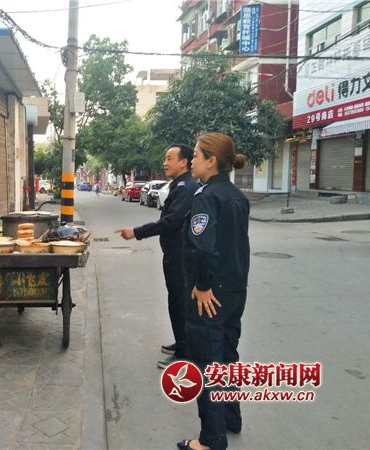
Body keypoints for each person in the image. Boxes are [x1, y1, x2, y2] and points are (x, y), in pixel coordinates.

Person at [178, 133, 250, 450]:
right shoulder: (237, 196)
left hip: (211, 295)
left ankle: (211, 439)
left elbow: (203, 248)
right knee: (228, 358)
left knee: (208, 363)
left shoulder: (207, 197)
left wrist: (203, 285)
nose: (192, 160)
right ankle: (231, 418)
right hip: (235, 291)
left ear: (211, 161)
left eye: (196, 155)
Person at [115, 144, 199, 368]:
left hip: (180, 256)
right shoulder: (179, 185)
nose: (165, 163)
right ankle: (181, 342)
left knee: (179, 303)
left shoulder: (186, 188)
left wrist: (136, 232)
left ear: (183, 162)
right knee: (176, 301)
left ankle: (185, 352)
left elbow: (170, 222)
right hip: (174, 254)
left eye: (170, 158)